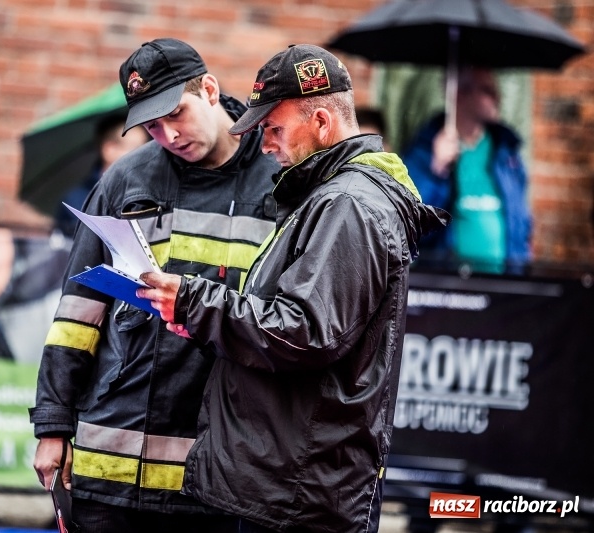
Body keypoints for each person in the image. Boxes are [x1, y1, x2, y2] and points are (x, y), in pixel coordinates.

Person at [138, 44, 449, 533]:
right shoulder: (331, 197)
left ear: (322, 122)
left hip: (302, 496)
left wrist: (195, 303)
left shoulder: (349, 204)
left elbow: (304, 330)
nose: (264, 146)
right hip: (295, 485)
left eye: (274, 128)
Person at [29, 38, 279, 532]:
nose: (167, 135)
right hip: (109, 466)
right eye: (150, 125)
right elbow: (77, 313)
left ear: (209, 89)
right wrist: (53, 426)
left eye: (175, 114)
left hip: (213, 475)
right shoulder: (125, 179)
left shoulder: (279, 182)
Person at [402, 66, 531, 274]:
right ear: (459, 95)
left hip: (504, 284)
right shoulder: (425, 149)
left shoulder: (507, 151)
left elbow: (521, 220)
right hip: (450, 285)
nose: (497, 98)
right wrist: (436, 170)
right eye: (487, 91)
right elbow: (410, 224)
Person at [53, 112, 149, 236]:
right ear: (109, 149)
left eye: (145, 150)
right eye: (136, 149)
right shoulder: (76, 200)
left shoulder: (149, 197)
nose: (143, 158)